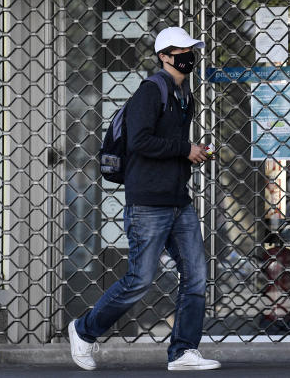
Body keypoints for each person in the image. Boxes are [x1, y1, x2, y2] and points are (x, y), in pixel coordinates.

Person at [68, 27, 220, 371]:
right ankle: (84, 330)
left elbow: (170, 146)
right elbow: (139, 142)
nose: (188, 55)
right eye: (181, 50)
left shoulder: (185, 96)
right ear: (164, 56)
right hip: (148, 202)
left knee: (195, 276)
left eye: (191, 49)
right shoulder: (150, 92)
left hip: (177, 200)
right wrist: (186, 149)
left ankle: (183, 352)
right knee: (139, 280)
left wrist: (193, 154)